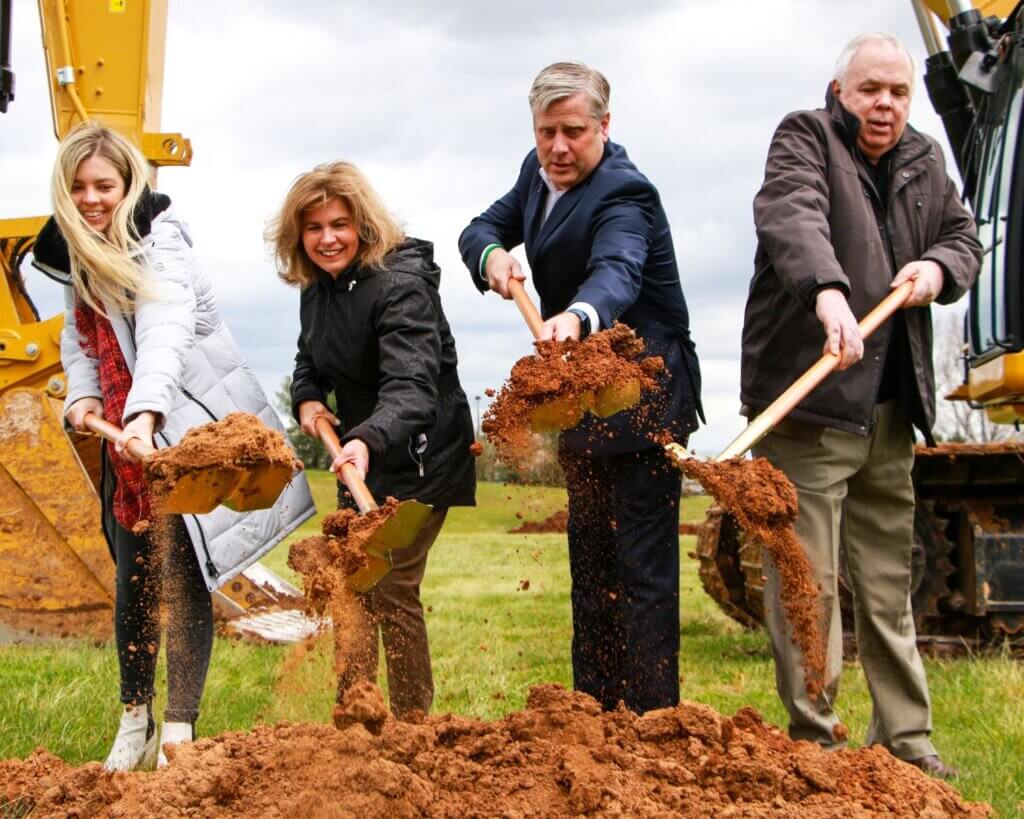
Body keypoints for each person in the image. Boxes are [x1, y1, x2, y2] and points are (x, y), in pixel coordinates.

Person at [31, 123, 315, 771]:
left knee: (186, 581)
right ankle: (135, 718)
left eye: (104, 184)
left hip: (187, 435)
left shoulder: (161, 242)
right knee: (134, 581)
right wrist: (84, 398)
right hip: (127, 447)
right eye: (78, 187)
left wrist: (145, 412)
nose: (92, 198)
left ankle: (179, 733)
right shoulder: (75, 251)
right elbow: (82, 340)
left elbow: (164, 331)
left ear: (131, 184)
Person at [742, 33, 981, 779]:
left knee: (887, 584)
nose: (885, 104)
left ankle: (907, 740)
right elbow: (792, 216)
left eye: (898, 92)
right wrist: (828, 291)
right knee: (807, 586)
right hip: (812, 403)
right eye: (870, 89)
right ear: (839, 90)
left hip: (890, 406)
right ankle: (816, 741)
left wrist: (939, 268)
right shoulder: (803, 138)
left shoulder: (924, 160)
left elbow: (963, 235)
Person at [459, 61, 703, 714]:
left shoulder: (627, 194)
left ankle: (655, 725)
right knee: (592, 568)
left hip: (643, 395)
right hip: (582, 400)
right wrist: (494, 258)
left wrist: (576, 318)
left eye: (573, 131)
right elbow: (478, 229)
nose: (559, 147)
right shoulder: (534, 176)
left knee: (643, 573)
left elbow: (617, 271)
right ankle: (594, 716)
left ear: (604, 125)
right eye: (547, 132)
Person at [271, 161, 476, 718]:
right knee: (348, 585)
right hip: (360, 454)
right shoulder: (319, 288)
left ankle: (414, 728)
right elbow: (308, 359)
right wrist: (308, 398)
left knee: (390, 586)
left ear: (362, 223)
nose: (327, 238)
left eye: (339, 223)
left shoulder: (401, 287)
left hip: (420, 452)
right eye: (313, 228)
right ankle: (356, 722)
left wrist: (367, 439)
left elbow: (413, 386)